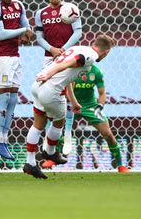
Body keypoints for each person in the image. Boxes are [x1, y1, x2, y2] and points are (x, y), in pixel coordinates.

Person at [24, 35, 115, 179]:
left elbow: (68, 77)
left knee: (38, 124)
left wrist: (73, 101)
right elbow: (68, 63)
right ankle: (50, 151)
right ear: (106, 52)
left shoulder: (77, 48)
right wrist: (49, 74)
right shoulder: (90, 56)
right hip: (51, 88)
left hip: (37, 85)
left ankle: (30, 163)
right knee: (59, 120)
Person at [42, 64, 130, 173]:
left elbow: (102, 93)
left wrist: (100, 106)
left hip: (90, 106)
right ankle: (52, 159)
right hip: (71, 104)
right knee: (60, 131)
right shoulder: (71, 70)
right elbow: (68, 91)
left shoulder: (96, 71)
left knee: (107, 134)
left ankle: (120, 166)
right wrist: (74, 103)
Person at [0, 0, 34, 160]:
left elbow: (26, 25)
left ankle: (4, 140)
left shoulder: (18, 6)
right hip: (0, 57)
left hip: (15, 56)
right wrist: (23, 31)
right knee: (4, 96)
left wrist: (27, 32)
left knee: (14, 99)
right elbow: (0, 34)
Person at [35, 0, 82, 153]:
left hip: (68, 56)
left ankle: (67, 134)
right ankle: (49, 135)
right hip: (49, 57)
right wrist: (52, 49)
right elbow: (39, 38)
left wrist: (64, 49)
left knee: (66, 93)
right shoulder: (41, 13)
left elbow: (78, 32)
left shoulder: (71, 9)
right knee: (47, 95)